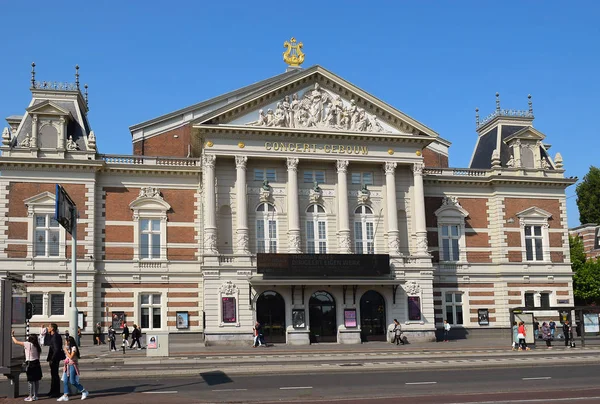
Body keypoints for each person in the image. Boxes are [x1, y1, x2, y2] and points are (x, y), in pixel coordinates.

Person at [11, 330, 43, 402]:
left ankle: (30, 396)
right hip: (37, 363)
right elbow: (38, 356)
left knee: (30, 380)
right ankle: (35, 395)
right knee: (36, 380)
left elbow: (16, 342)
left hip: (30, 363)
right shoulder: (37, 346)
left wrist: (12, 336)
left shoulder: (28, 344)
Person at [57, 336, 89, 401]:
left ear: (69, 342)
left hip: (72, 365)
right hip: (67, 365)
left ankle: (84, 391)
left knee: (72, 381)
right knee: (65, 381)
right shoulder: (68, 348)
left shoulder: (73, 348)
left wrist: (66, 351)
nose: (65, 343)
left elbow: (71, 357)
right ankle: (65, 395)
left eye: (66, 341)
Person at [46, 323, 66, 398]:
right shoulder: (53, 336)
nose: (48, 328)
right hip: (53, 358)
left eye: (49, 327)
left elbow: (56, 349)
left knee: (55, 375)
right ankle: (52, 391)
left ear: (52, 329)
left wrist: (52, 359)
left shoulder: (55, 337)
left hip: (55, 358)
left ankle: (56, 392)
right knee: (53, 375)